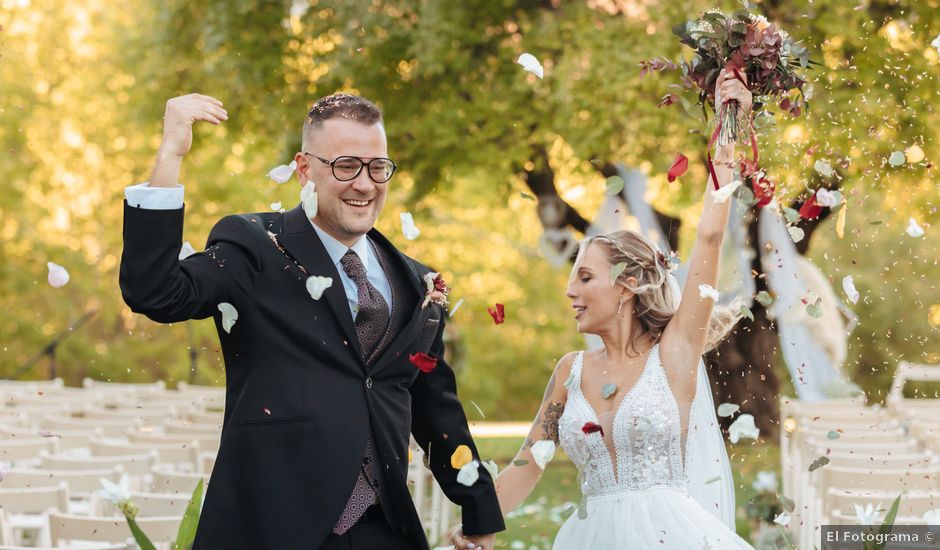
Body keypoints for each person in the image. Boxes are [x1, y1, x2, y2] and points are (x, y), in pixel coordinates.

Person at [120, 92, 504, 550]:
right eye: (346, 166)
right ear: (304, 169)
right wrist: (170, 155)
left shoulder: (418, 280)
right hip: (268, 525)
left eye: (377, 167)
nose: (365, 184)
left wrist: (479, 512)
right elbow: (156, 293)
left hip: (381, 529)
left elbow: (435, 407)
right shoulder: (255, 246)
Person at [452, 69, 756, 549]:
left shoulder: (674, 354)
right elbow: (528, 463)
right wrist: (478, 525)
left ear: (627, 286)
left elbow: (711, 236)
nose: (572, 291)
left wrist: (729, 128)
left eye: (586, 277)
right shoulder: (569, 373)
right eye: (573, 278)